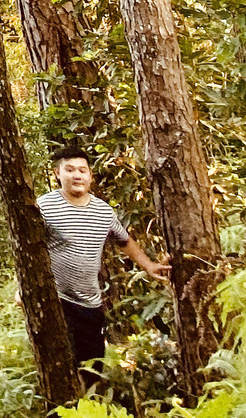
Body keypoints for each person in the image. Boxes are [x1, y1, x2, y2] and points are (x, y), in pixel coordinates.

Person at [37, 144, 171, 382]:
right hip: (57, 299)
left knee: (93, 367)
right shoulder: (44, 207)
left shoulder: (103, 211)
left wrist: (148, 265)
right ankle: (65, 413)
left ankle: (92, 412)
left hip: (90, 304)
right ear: (58, 174)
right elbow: (27, 249)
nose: (77, 175)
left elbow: (124, 240)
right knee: (63, 366)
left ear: (90, 176)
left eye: (82, 170)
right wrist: (23, 289)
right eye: (69, 170)